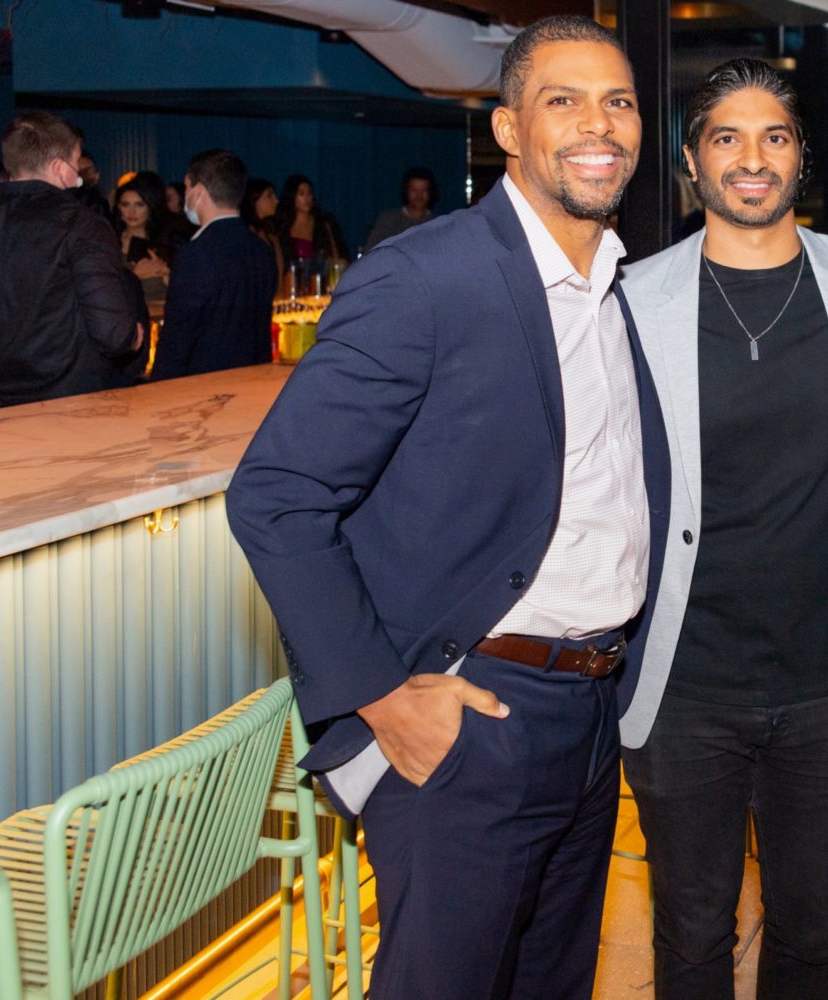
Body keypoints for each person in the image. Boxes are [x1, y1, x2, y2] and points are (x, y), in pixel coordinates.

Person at [225, 15, 669, 999]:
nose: (598, 124)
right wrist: (384, 699)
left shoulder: (612, 286)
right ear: (509, 129)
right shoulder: (429, 275)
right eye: (563, 100)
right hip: (475, 715)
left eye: (618, 102)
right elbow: (277, 494)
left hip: (588, 711)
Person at [618, 58, 828, 999]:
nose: (753, 159)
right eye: (727, 138)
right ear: (691, 163)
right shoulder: (633, 299)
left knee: (814, 934)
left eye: (774, 136)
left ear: (800, 156)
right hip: (684, 686)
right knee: (691, 935)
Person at [0, 111, 141, 413]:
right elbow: (112, 333)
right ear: (59, 168)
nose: (79, 177)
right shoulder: (82, 225)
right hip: (64, 404)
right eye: (76, 165)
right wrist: (133, 337)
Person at [149, 149, 277, 379]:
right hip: (253, 381)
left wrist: (158, 387)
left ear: (198, 191)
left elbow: (177, 338)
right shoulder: (262, 250)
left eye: (187, 188)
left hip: (203, 387)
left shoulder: (195, 254)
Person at [114, 172, 180, 301]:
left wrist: (169, 277)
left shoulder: (167, 242)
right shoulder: (108, 243)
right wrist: (134, 275)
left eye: (139, 205)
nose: (132, 212)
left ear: (150, 208)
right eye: (125, 204)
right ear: (118, 208)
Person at [276, 173, 346, 276]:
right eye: (301, 193)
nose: (307, 198)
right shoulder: (282, 226)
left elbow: (340, 253)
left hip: (321, 279)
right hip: (291, 280)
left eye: (309, 193)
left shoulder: (324, 222)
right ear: (292, 196)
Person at [362, 166, 438, 252]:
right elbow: (370, 252)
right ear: (406, 191)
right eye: (414, 190)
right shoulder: (387, 220)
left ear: (431, 192)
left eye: (423, 190)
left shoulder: (438, 224)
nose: (419, 195)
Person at [241, 176, 283, 281]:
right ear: (254, 200)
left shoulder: (270, 232)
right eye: (269, 196)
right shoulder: (246, 234)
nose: (276, 201)